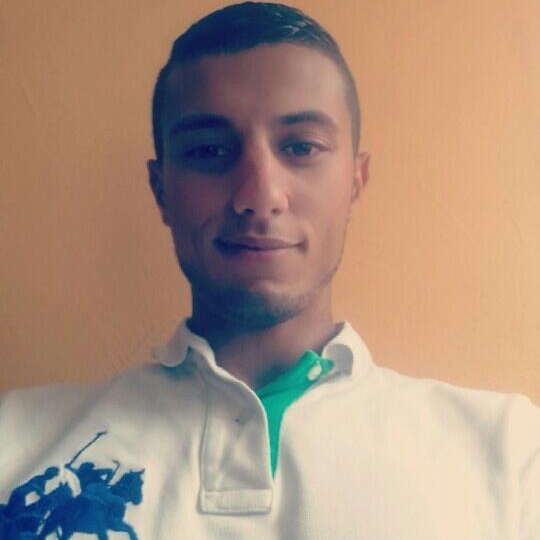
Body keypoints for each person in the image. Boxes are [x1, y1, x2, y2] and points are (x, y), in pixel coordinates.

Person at [1, 3, 539, 539]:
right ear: (160, 189)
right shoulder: (15, 441)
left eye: (301, 147)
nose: (259, 195)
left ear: (355, 181)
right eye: (209, 150)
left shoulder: (510, 454)